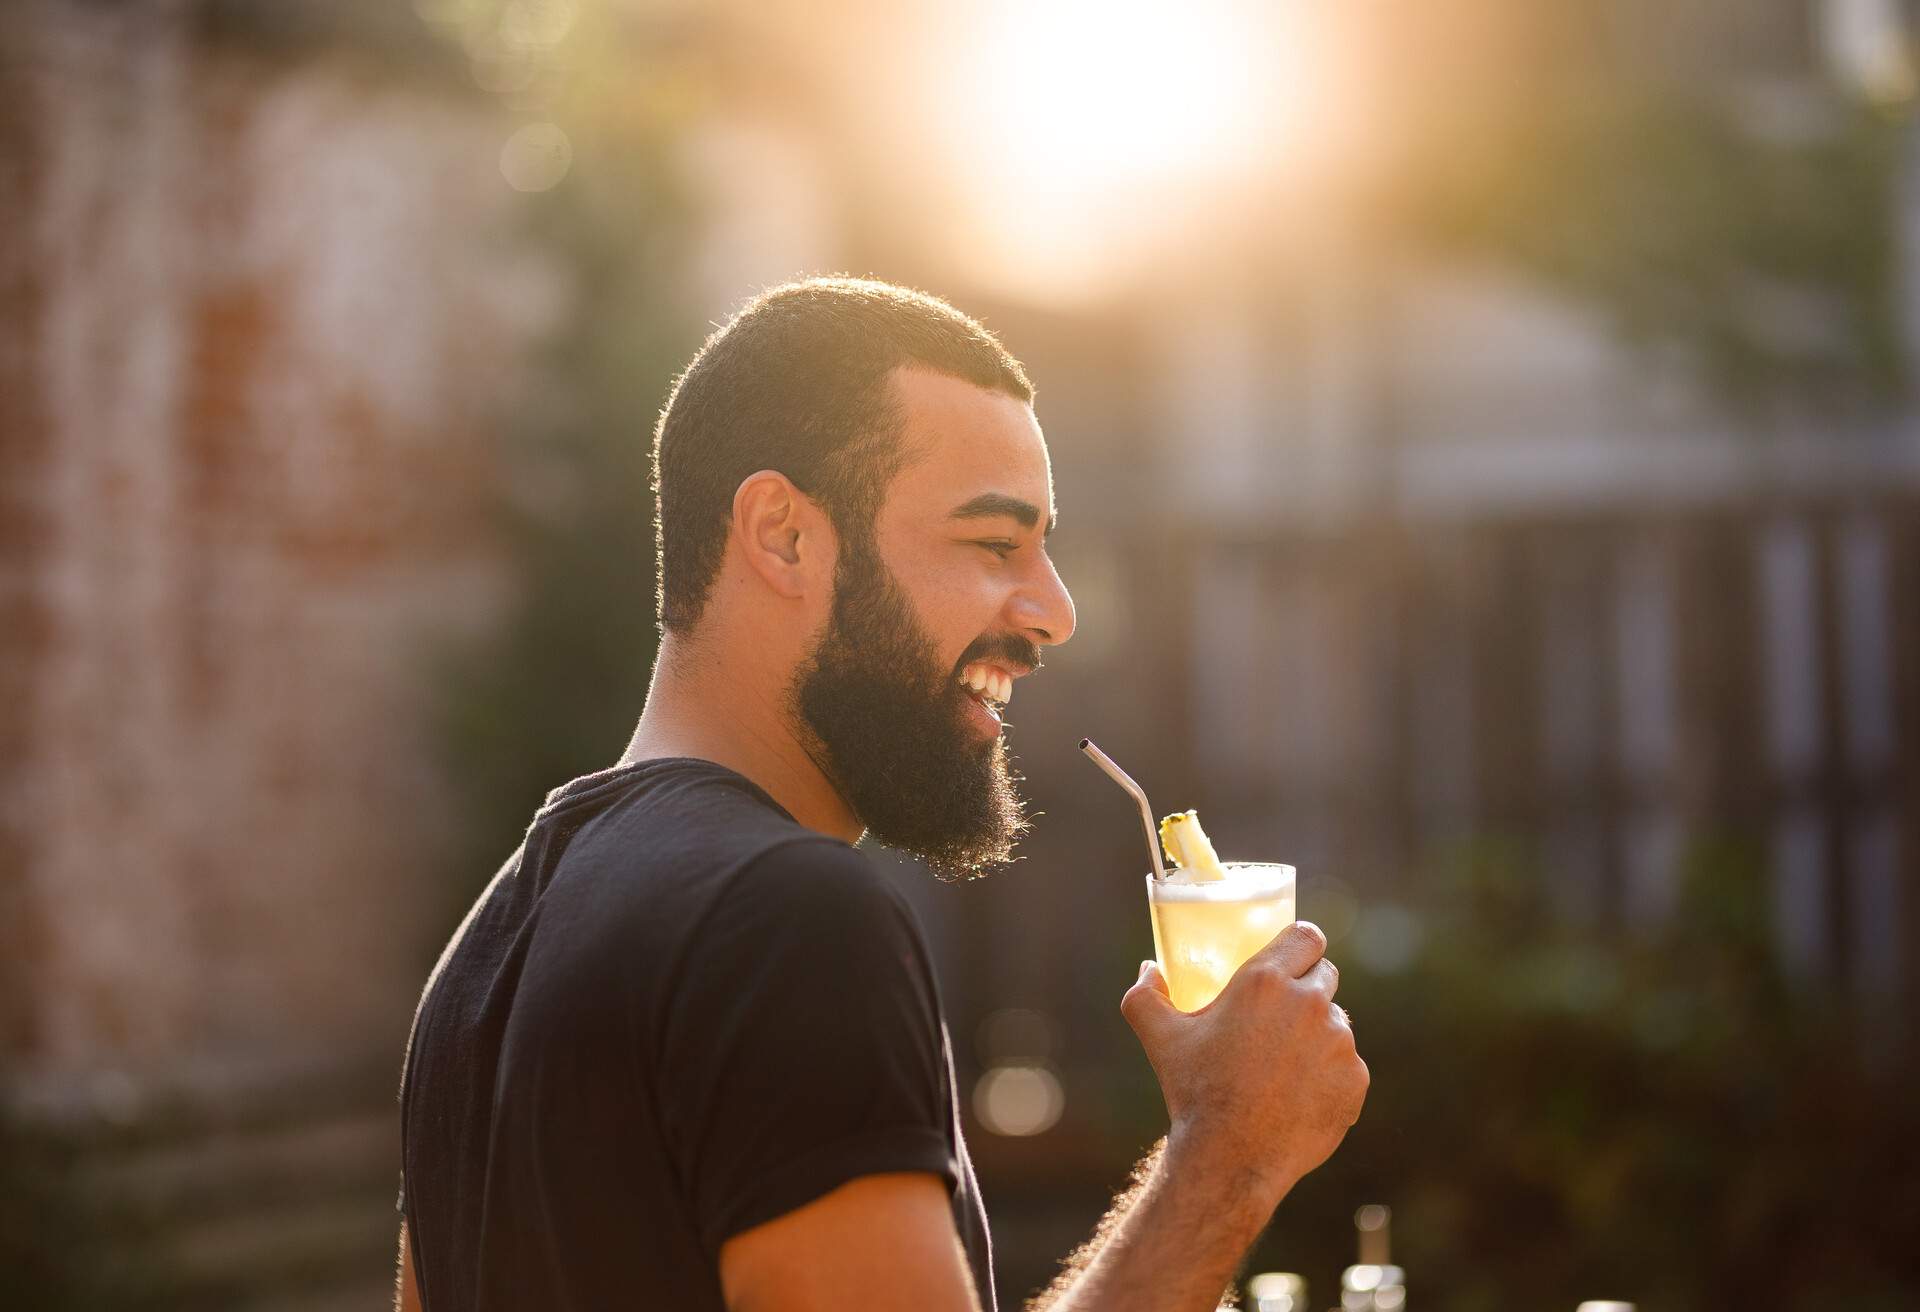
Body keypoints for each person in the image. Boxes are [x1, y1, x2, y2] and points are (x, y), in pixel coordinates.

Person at [394, 277, 1367, 1312]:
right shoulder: (787, 917)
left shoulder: (486, 951)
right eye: (995, 543)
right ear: (785, 537)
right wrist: (1223, 1160)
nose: (1056, 611)